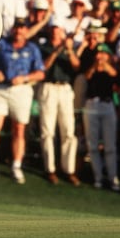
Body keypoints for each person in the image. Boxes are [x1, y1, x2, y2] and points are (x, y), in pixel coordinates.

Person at [0, 18, 45, 184]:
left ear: (26, 31)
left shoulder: (32, 48)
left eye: (22, 28)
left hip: (21, 90)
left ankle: (16, 165)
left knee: (19, 128)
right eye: (17, 28)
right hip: (1, 88)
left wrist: (24, 78)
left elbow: (40, 73)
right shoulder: (2, 44)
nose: (19, 32)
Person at [37, 24, 81, 185]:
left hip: (65, 88)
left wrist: (68, 50)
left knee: (68, 130)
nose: (57, 32)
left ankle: (69, 170)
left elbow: (76, 66)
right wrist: (57, 51)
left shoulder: (69, 48)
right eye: (54, 29)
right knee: (47, 130)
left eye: (59, 29)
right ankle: (50, 169)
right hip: (48, 86)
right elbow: (44, 66)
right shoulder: (43, 47)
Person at [84, 43, 120, 190]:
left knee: (110, 145)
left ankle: (112, 177)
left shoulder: (111, 70)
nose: (100, 57)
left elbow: (117, 82)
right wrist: (95, 66)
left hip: (107, 105)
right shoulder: (91, 67)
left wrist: (106, 66)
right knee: (92, 144)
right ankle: (97, 177)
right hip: (92, 105)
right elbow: (87, 76)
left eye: (103, 54)